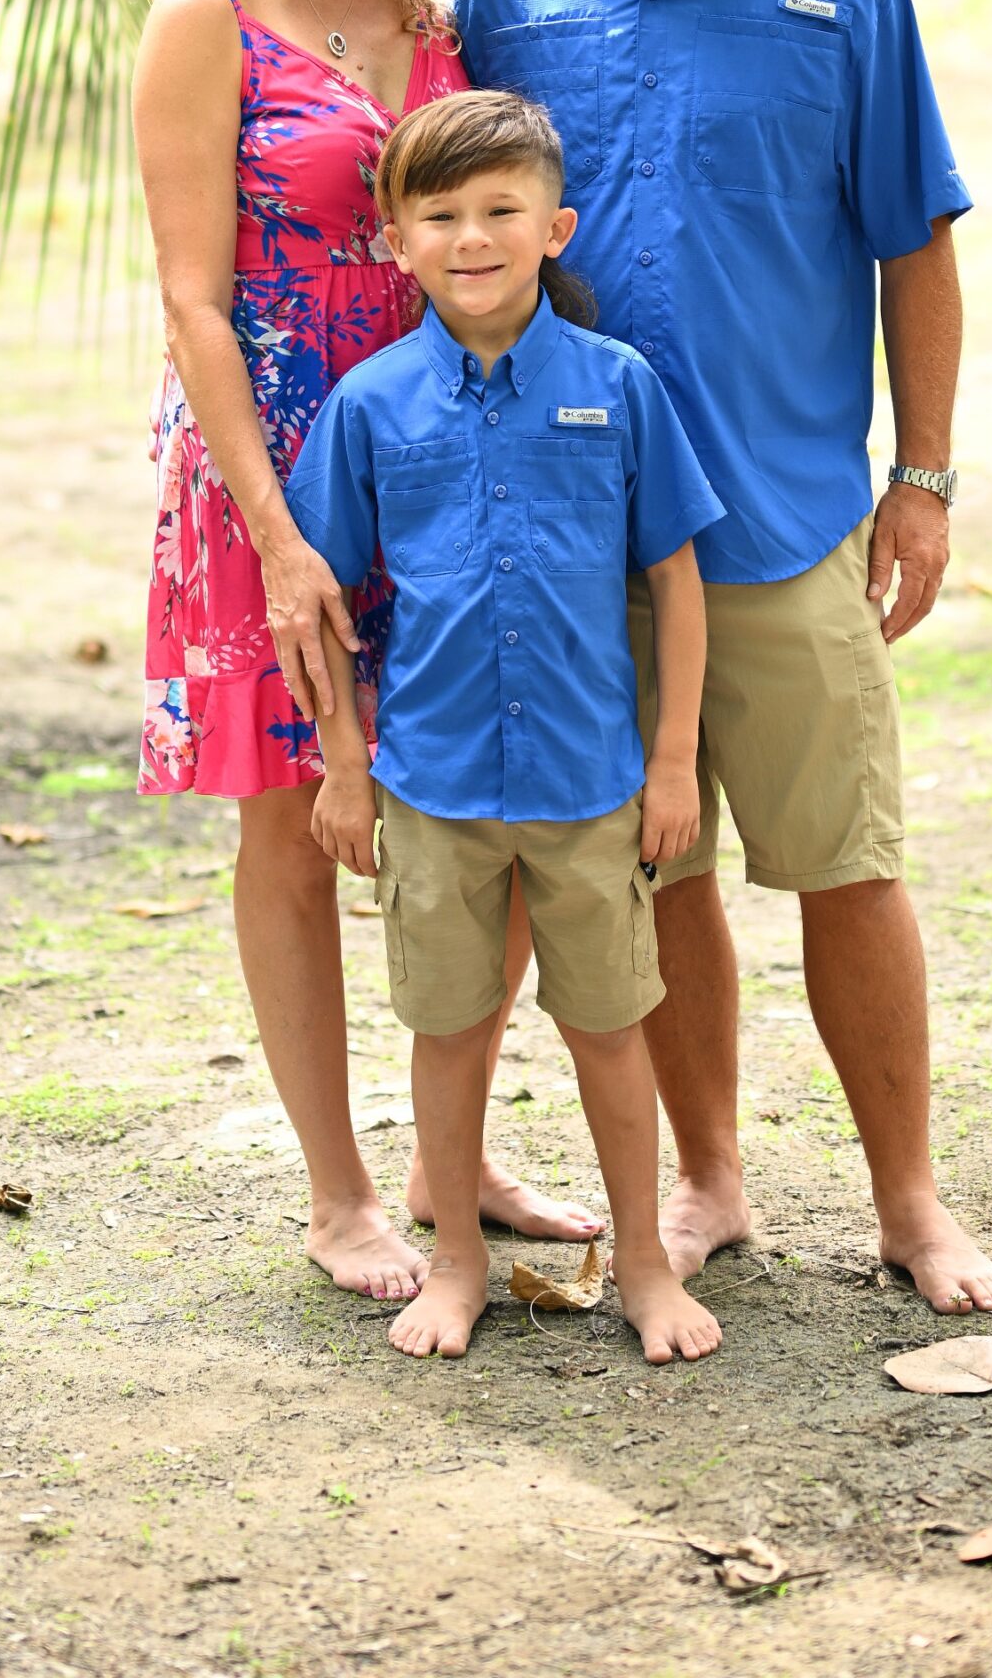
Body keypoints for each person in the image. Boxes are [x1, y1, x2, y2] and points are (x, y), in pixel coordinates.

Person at [455, 0, 992, 1316]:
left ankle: (910, 1203)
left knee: (847, 861)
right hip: (578, 537)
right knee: (654, 870)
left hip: (781, 515)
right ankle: (708, 1177)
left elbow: (916, 245)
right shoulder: (498, 0)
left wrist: (922, 478)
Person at [130, 0, 599, 1304]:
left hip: (445, 458)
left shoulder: (439, 17)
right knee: (289, 820)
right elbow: (191, 300)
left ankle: (446, 1157)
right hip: (273, 471)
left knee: (484, 794)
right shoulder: (203, 16)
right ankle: (339, 1194)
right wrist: (278, 541)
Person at [286, 89, 725, 1364]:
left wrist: (673, 763)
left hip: (591, 784)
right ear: (396, 241)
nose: (471, 238)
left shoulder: (618, 387)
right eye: (440, 216)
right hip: (432, 785)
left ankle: (641, 1261)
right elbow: (325, 603)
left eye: (500, 211)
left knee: (608, 1029)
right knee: (446, 1028)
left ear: (555, 229)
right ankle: (458, 1262)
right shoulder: (370, 404)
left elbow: (676, 581)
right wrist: (345, 770)